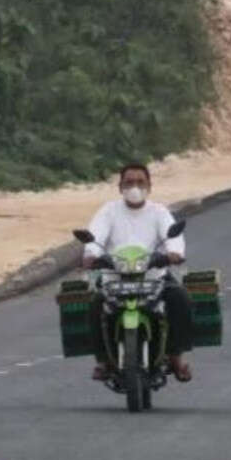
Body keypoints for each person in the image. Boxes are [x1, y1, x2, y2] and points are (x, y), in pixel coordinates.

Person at [84, 163, 193, 382]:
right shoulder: (109, 211)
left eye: (140, 182)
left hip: (154, 276)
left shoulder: (159, 212)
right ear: (120, 187)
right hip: (114, 278)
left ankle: (175, 356)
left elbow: (173, 237)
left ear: (149, 186)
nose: (135, 187)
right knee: (95, 304)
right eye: (129, 182)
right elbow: (95, 236)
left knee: (181, 298)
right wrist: (91, 254)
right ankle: (103, 361)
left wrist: (173, 253)